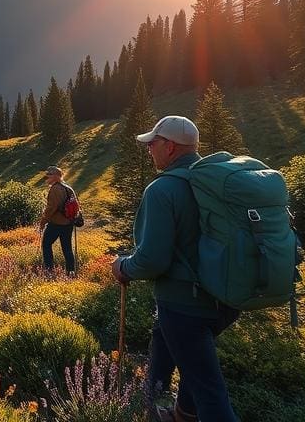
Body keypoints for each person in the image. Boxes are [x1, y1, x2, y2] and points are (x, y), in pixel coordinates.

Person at [112, 115, 240, 422]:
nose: (149, 150)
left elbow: (153, 260)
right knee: (190, 361)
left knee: (210, 392)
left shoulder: (162, 190)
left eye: (152, 144)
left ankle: (178, 410)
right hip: (226, 298)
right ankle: (178, 413)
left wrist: (123, 268)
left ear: (169, 147)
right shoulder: (215, 182)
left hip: (185, 305)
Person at [38, 165, 75, 275]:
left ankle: (49, 271)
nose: (46, 177)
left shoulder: (55, 189)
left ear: (56, 176)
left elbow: (51, 209)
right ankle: (71, 272)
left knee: (46, 244)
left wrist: (42, 222)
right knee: (67, 248)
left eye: (49, 175)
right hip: (69, 223)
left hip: (56, 223)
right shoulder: (68, 188)